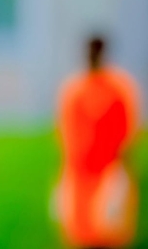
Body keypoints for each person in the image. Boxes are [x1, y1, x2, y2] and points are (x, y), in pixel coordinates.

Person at [56, 36, 140, 249]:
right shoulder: (75, 90)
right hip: (80, 179)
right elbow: (66, 138)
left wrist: (122, 176)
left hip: (109, 174)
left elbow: (128, 136)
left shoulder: (118, 88)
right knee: (82, 235)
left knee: (110, 233)